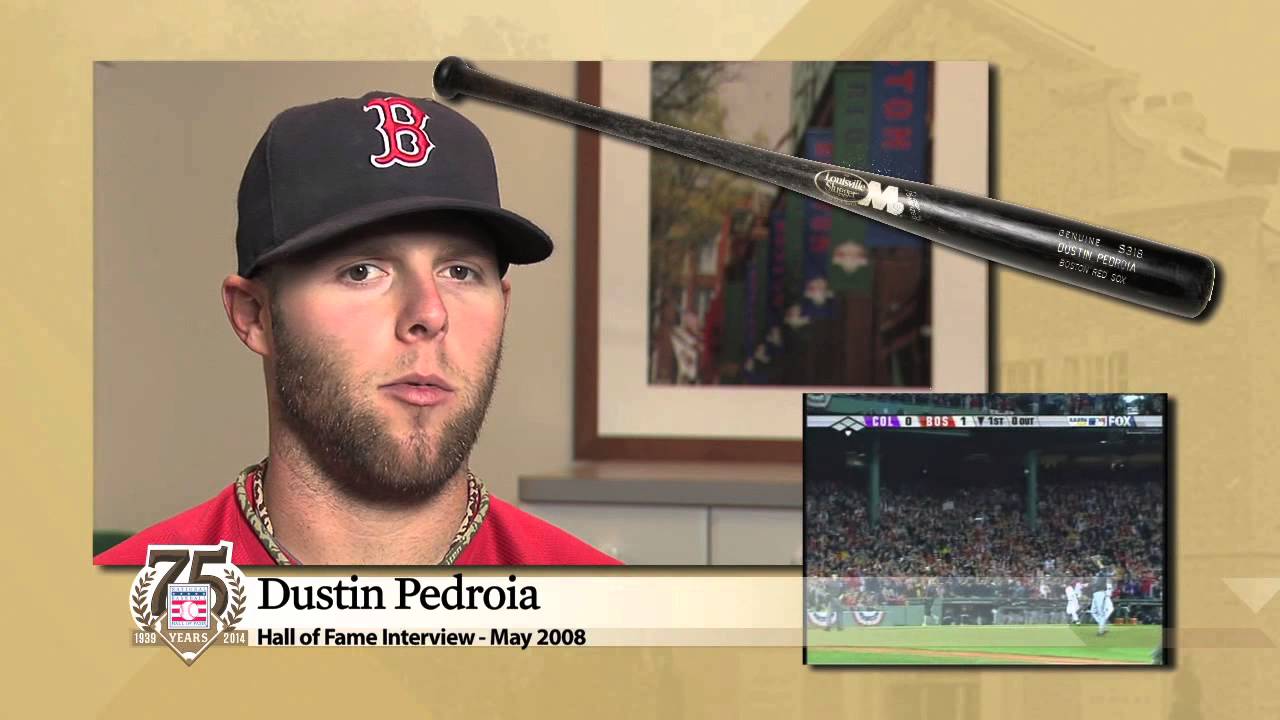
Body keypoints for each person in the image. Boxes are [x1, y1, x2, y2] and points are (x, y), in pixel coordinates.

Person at [95, 91, 620, 566]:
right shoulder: (121, 609)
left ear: (502, 305)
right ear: (254, 315)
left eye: (460, 272)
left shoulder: (610, 614)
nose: (431, 313)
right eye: (362, 271)